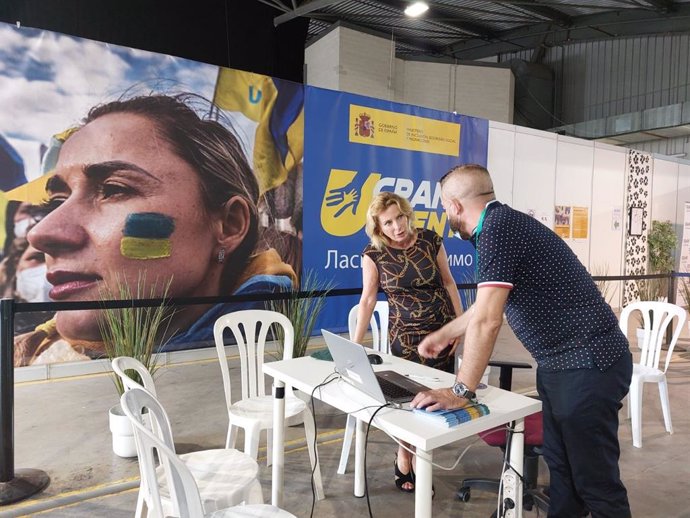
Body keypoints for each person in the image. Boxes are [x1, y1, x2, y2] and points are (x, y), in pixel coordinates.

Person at [411, 164, 632, 517]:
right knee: (562, 474)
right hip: (561, 366)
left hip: (588, 363)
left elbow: (488, 320)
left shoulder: (497, 230)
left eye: (443, 206)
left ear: (453, 206)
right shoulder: (501, 225)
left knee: (595, 483)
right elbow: (485, 307)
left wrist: (460, 392)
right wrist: (445, 334)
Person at [14, 93, 296, 366]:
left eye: (113, 189)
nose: (41, 233)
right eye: (57, 201)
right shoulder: (34, 359)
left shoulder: (282, 373)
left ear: (229, 225)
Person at [352, 191, 462, 493]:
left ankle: (422, 464)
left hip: (442, 334)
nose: (397, 227)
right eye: (388, 223)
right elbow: (368, 300)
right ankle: (404, 457)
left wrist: (459, 326)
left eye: (400, 217)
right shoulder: (373, 255)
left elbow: (449, 282)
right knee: (409, 404)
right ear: (378, 227)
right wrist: (355, 345)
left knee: (436, 402)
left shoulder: (429, 240)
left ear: (406, 214)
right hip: (405, 340)